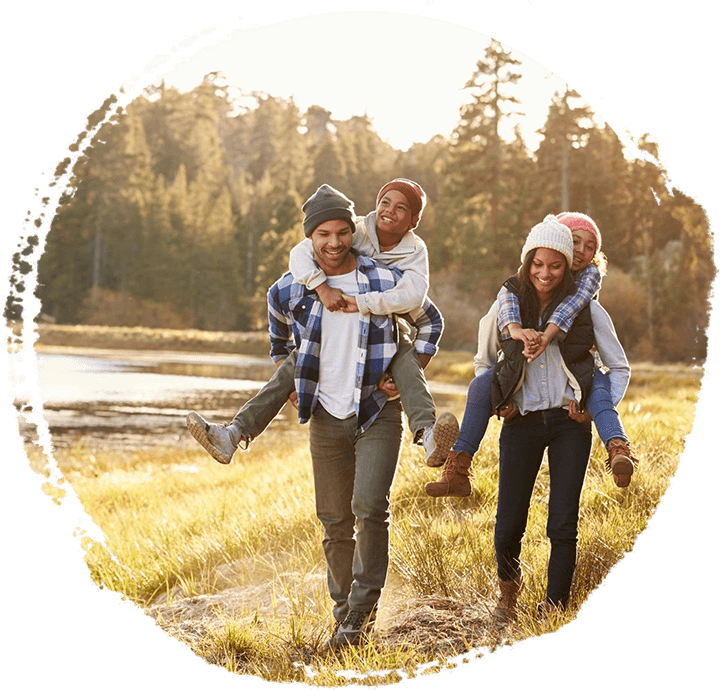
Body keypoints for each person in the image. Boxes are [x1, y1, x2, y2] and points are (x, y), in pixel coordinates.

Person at [197, 185, 445, 648]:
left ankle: (361, 611)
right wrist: (286, 369)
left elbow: (430, 317)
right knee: (333, 522)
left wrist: (419, 360)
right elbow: (276, 315)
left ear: (355, 232)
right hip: (327, 415)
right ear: (310, 238)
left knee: (370, 508)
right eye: (323, 233)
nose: (333, 242)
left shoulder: (382, 278)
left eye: (342, 232)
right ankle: (346, 619)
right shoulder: (296, 282)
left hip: (376, 410)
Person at [187, 179, 458, 469]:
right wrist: (321, 287)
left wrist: (406, 368)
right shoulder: (354, 231)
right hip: (331, 336)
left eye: (401, 207)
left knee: (405, 356)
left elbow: (418, 300)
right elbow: (301, 253)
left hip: (388, 333)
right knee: (298, 359)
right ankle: (233, 434)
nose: (389, 210)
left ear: (414, 220)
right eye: (385, 202)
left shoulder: (413, 254)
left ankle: (428, 435)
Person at [468, 216, 630, 620]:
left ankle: (555, 606)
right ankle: (508, 595)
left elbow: (619, 367)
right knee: (508, 522)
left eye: (556, 264)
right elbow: (483, 362)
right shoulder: (508, 306)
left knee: (562, 523)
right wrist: (501, 399)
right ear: (530, 261)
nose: (546, 272)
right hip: (521, 423)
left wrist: (592, 407)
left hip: (567, 426)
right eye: (539, 264)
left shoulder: (588, 309)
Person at [425, 211, 638, 498]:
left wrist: (548, 336)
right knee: (479, 386)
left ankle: (618, 448)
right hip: (522, 399)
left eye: (590, 247)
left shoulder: (586, 289)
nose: (582, 252)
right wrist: (502, 396)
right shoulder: (514, 290)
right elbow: (487, 351)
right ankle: (459, 465)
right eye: (575, 242)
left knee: (599, 392)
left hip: (577, 379)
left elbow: (574, 310)